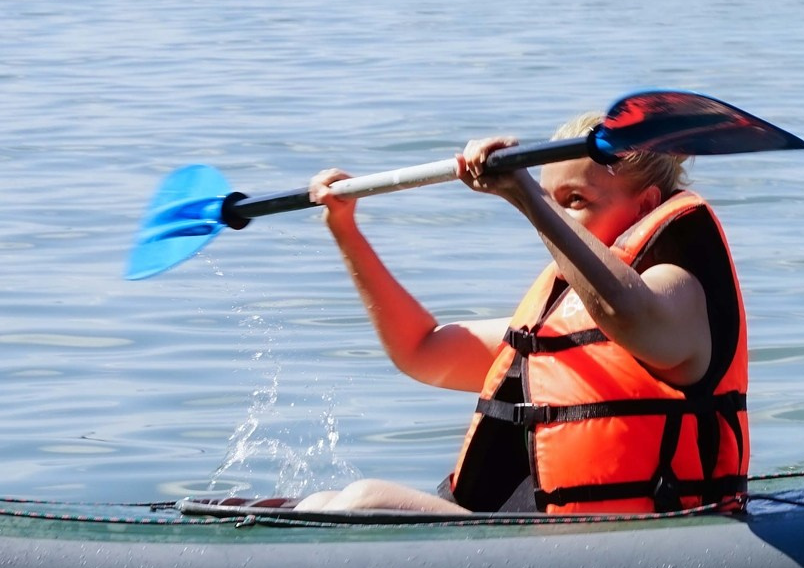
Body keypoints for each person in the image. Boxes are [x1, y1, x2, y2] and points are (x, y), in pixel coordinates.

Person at [294, 112, 749, 515]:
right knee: (320, 503)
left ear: (647, 206)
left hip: (638, 544)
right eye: (550, 198)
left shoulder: (679, 289)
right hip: (516, 541)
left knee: (362, 500)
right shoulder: (562, 320)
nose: (555, 216)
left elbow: (627, 312)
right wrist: (345, 227)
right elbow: (422, 349)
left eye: (573, 201)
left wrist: (526, 196)